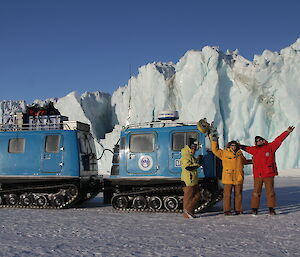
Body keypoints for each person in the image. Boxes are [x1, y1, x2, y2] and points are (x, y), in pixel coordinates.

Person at [241, 126, 295, 215]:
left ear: (263, 140)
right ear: (256, 143)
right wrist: (239, 146)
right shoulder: (254, 150)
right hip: (258, 175)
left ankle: (271, 208)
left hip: (268, 174)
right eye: (257, 141)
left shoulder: (270, 147)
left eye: (260, 140)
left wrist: (287, 132)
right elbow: (246, 148)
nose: (259, 141)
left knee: (270, 192)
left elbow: (279, 139)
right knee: (256, 192)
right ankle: (254, 208)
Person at [210, 136, 252, 215]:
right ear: (229, 146)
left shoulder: (240, 154)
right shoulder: (224, 153)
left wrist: (253, 161)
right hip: (228, 177)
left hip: (238, 177)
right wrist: (214, 142)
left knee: (238, 194)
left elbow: (244, 161)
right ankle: (227, 210)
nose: (233, 147)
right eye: (232, 145)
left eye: (235, 145)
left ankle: (238, 210)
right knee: (227, 195)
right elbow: (215, 150)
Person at [180, 141, 201, 219]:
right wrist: (198, 164)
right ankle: (187, 214)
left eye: (195, 148)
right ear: (189, 148)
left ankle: (189, 212)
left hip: (193, 180)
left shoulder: (191, 156)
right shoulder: (186, 156)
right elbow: (187, 167)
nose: (194, 150)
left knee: (197, 196)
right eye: (193, 148)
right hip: (188, 180)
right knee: (188, 198)